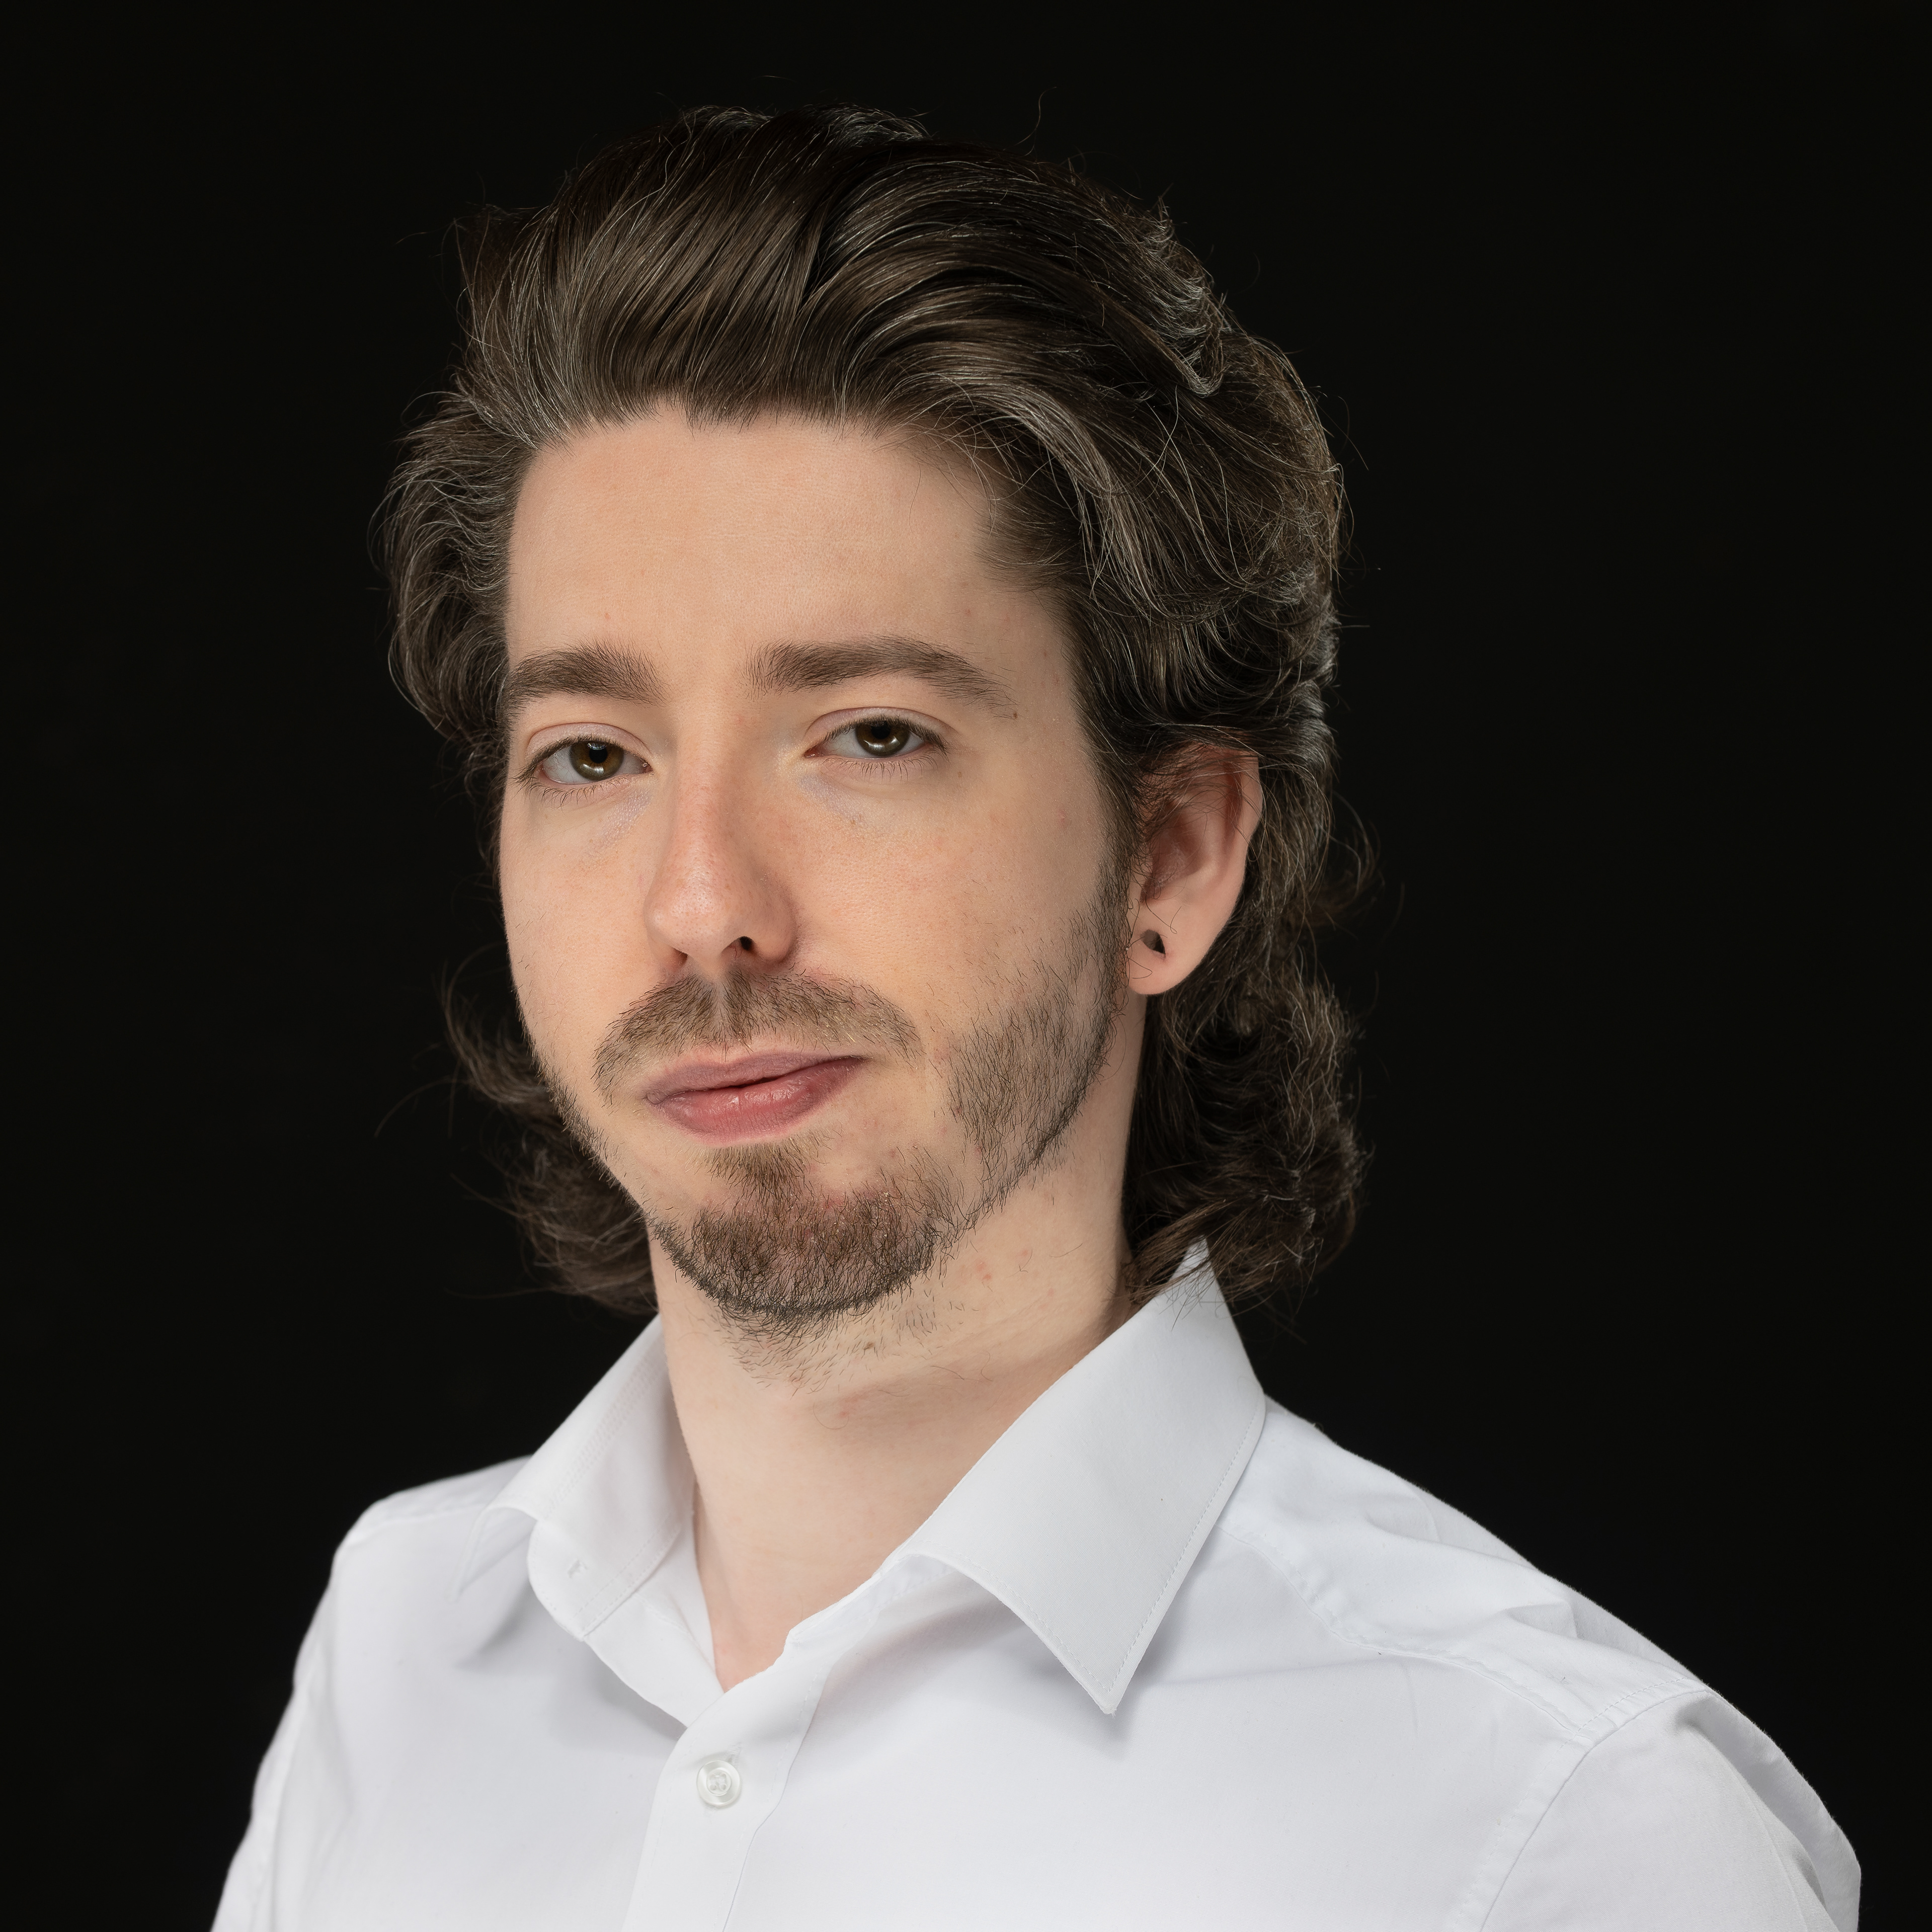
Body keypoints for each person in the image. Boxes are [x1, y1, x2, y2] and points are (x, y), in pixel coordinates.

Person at [214, 106, 1856, 1930]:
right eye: (593, 756)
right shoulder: (402, 1655)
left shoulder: (1561, 1832)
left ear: (1172, 855)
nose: (701, 906)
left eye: (871, 736)